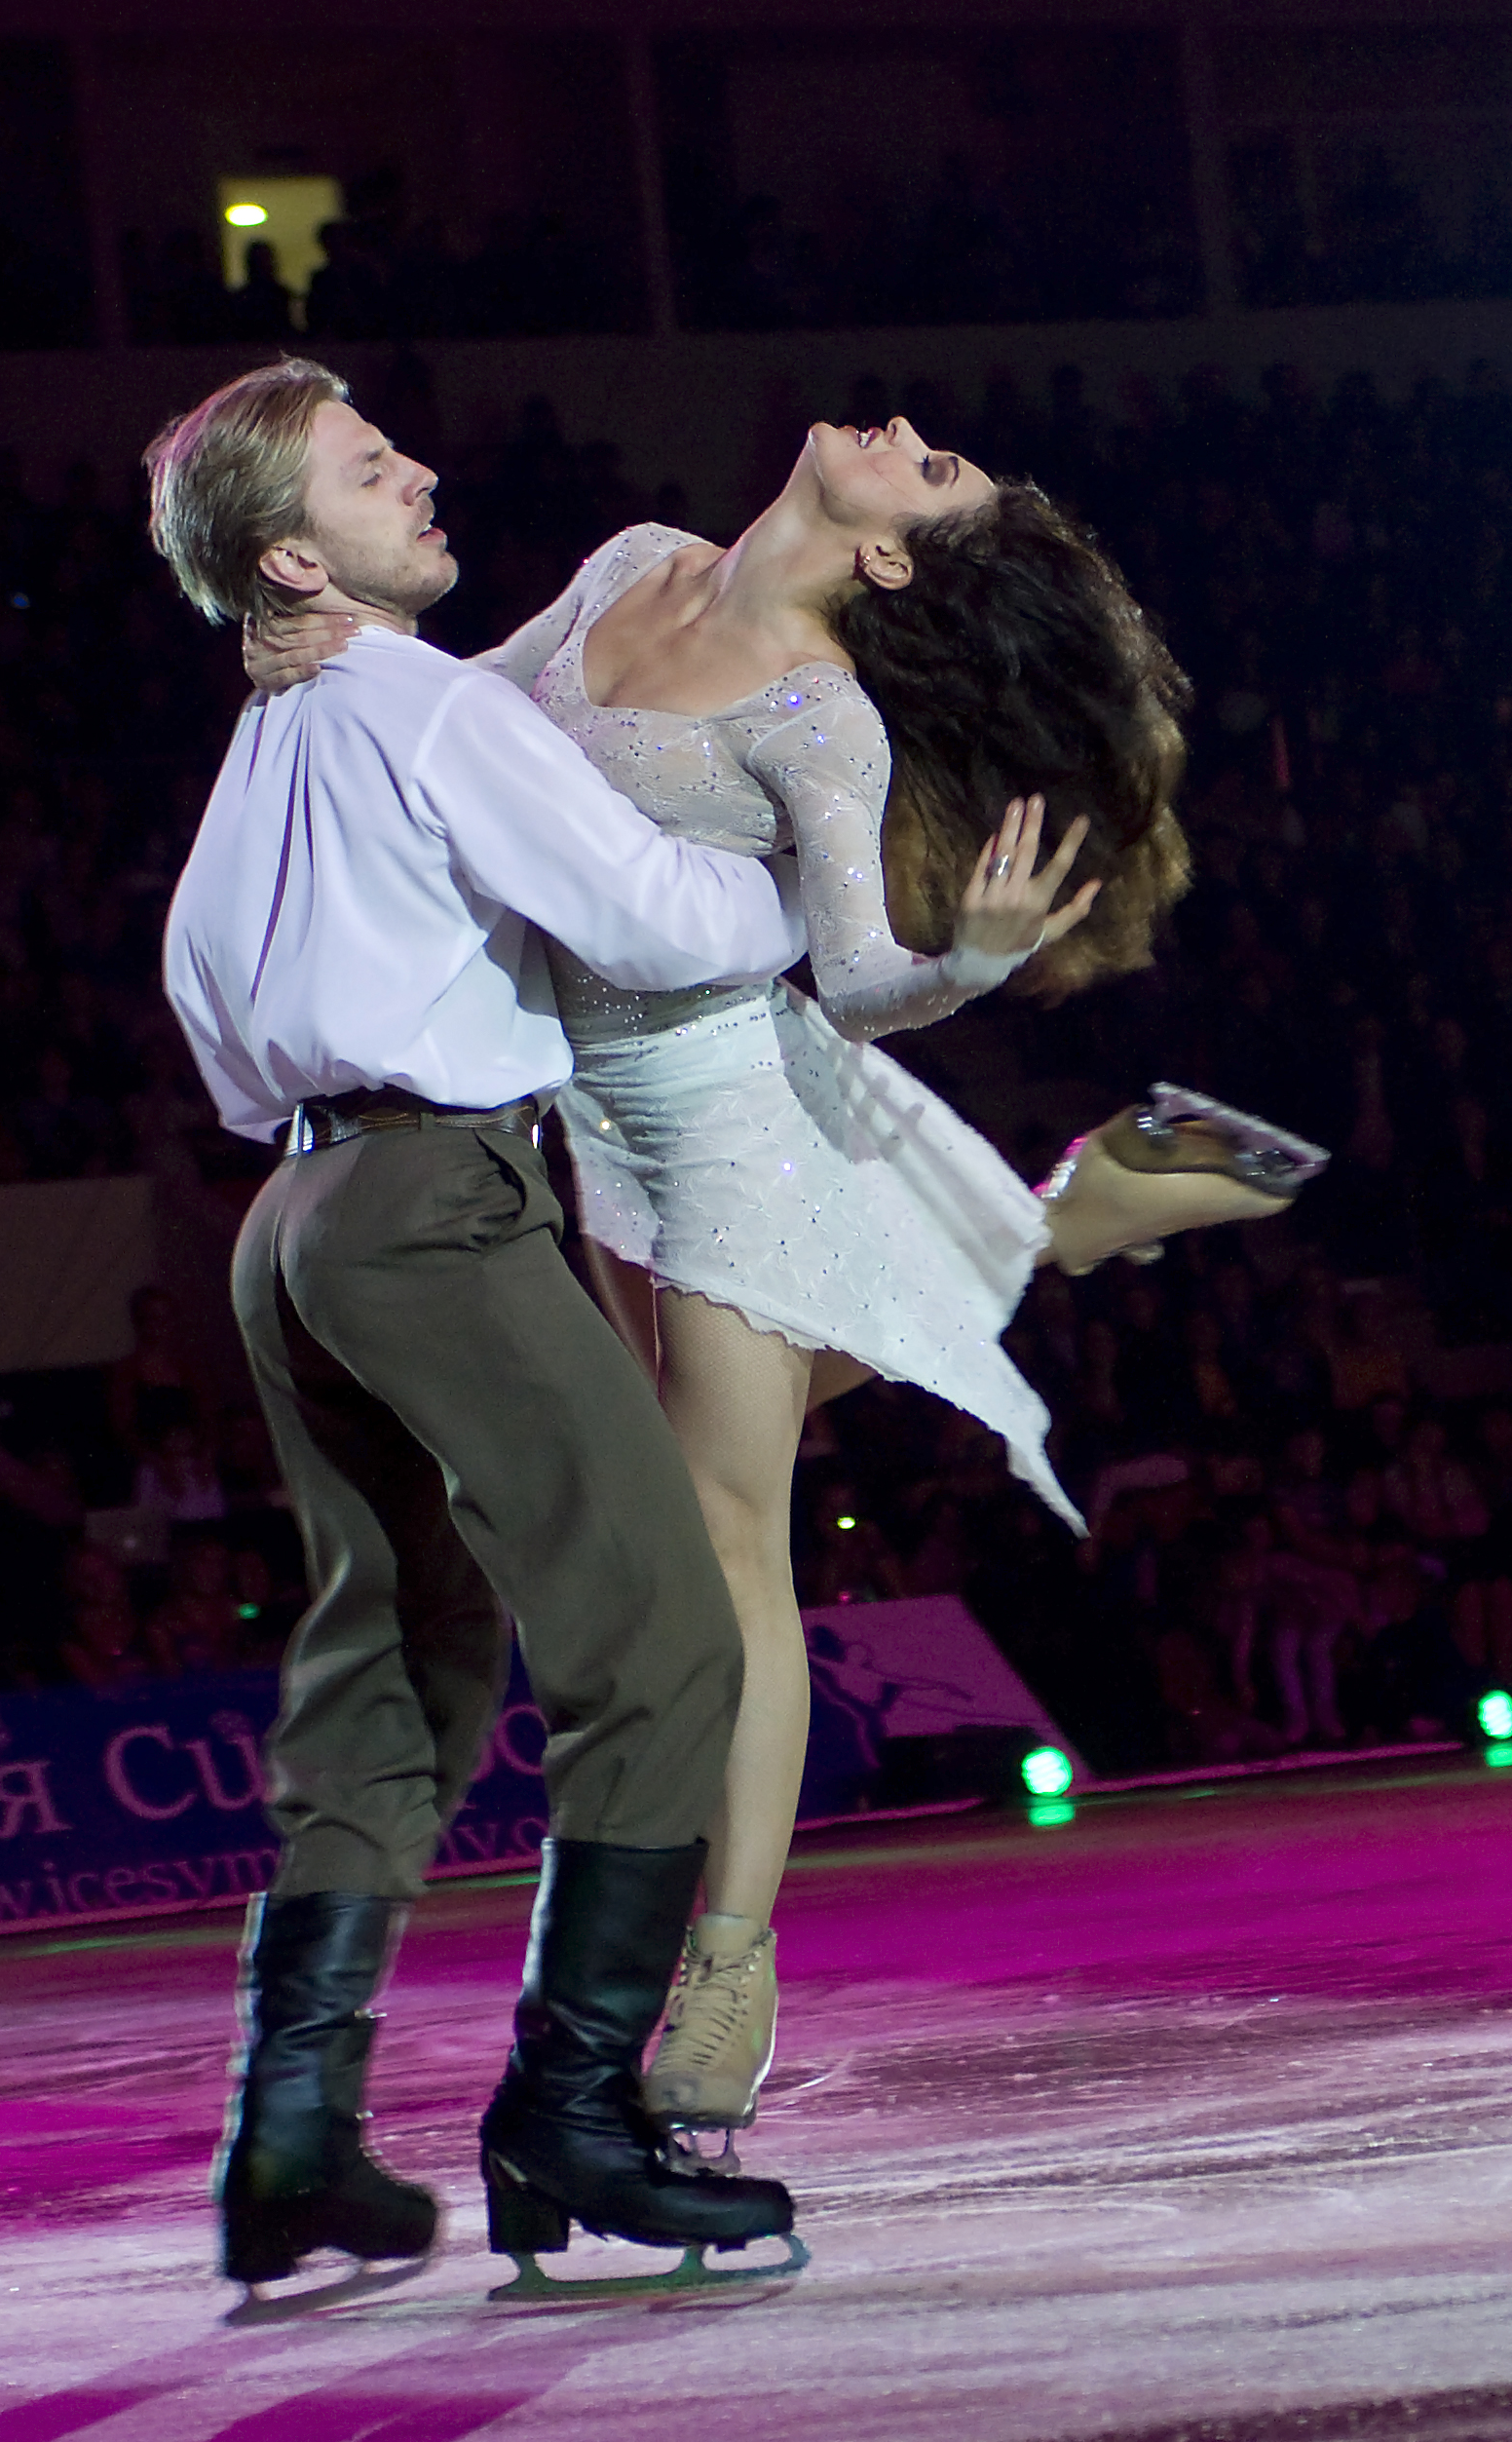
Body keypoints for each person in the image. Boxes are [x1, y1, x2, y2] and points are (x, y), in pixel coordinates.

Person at [253, 408, 1322, 2162]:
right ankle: (1067, 1219)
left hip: (725, 1126)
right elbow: (458, 719)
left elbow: (858, 978)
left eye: (932, 472)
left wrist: (973, 960)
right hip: (583, 1120)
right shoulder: (628, 563)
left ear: (888, 556)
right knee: (677, 1461)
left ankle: (728, 1971)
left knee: (725, 1538)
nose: (908, 433)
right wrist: (324, 647)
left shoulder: (822, 716)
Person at [147, 357, 813, 2309]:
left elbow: (204, 1012)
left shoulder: (261, 752)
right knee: (664, 1644)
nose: (420, 473)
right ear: (292, 554)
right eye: (370, 470)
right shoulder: (423, 705)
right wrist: (805, 877)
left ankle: (290, 2137)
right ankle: (571, 2117)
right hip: (437, 1202)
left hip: (294, 1219)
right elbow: (651, 917)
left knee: (392, 1668)